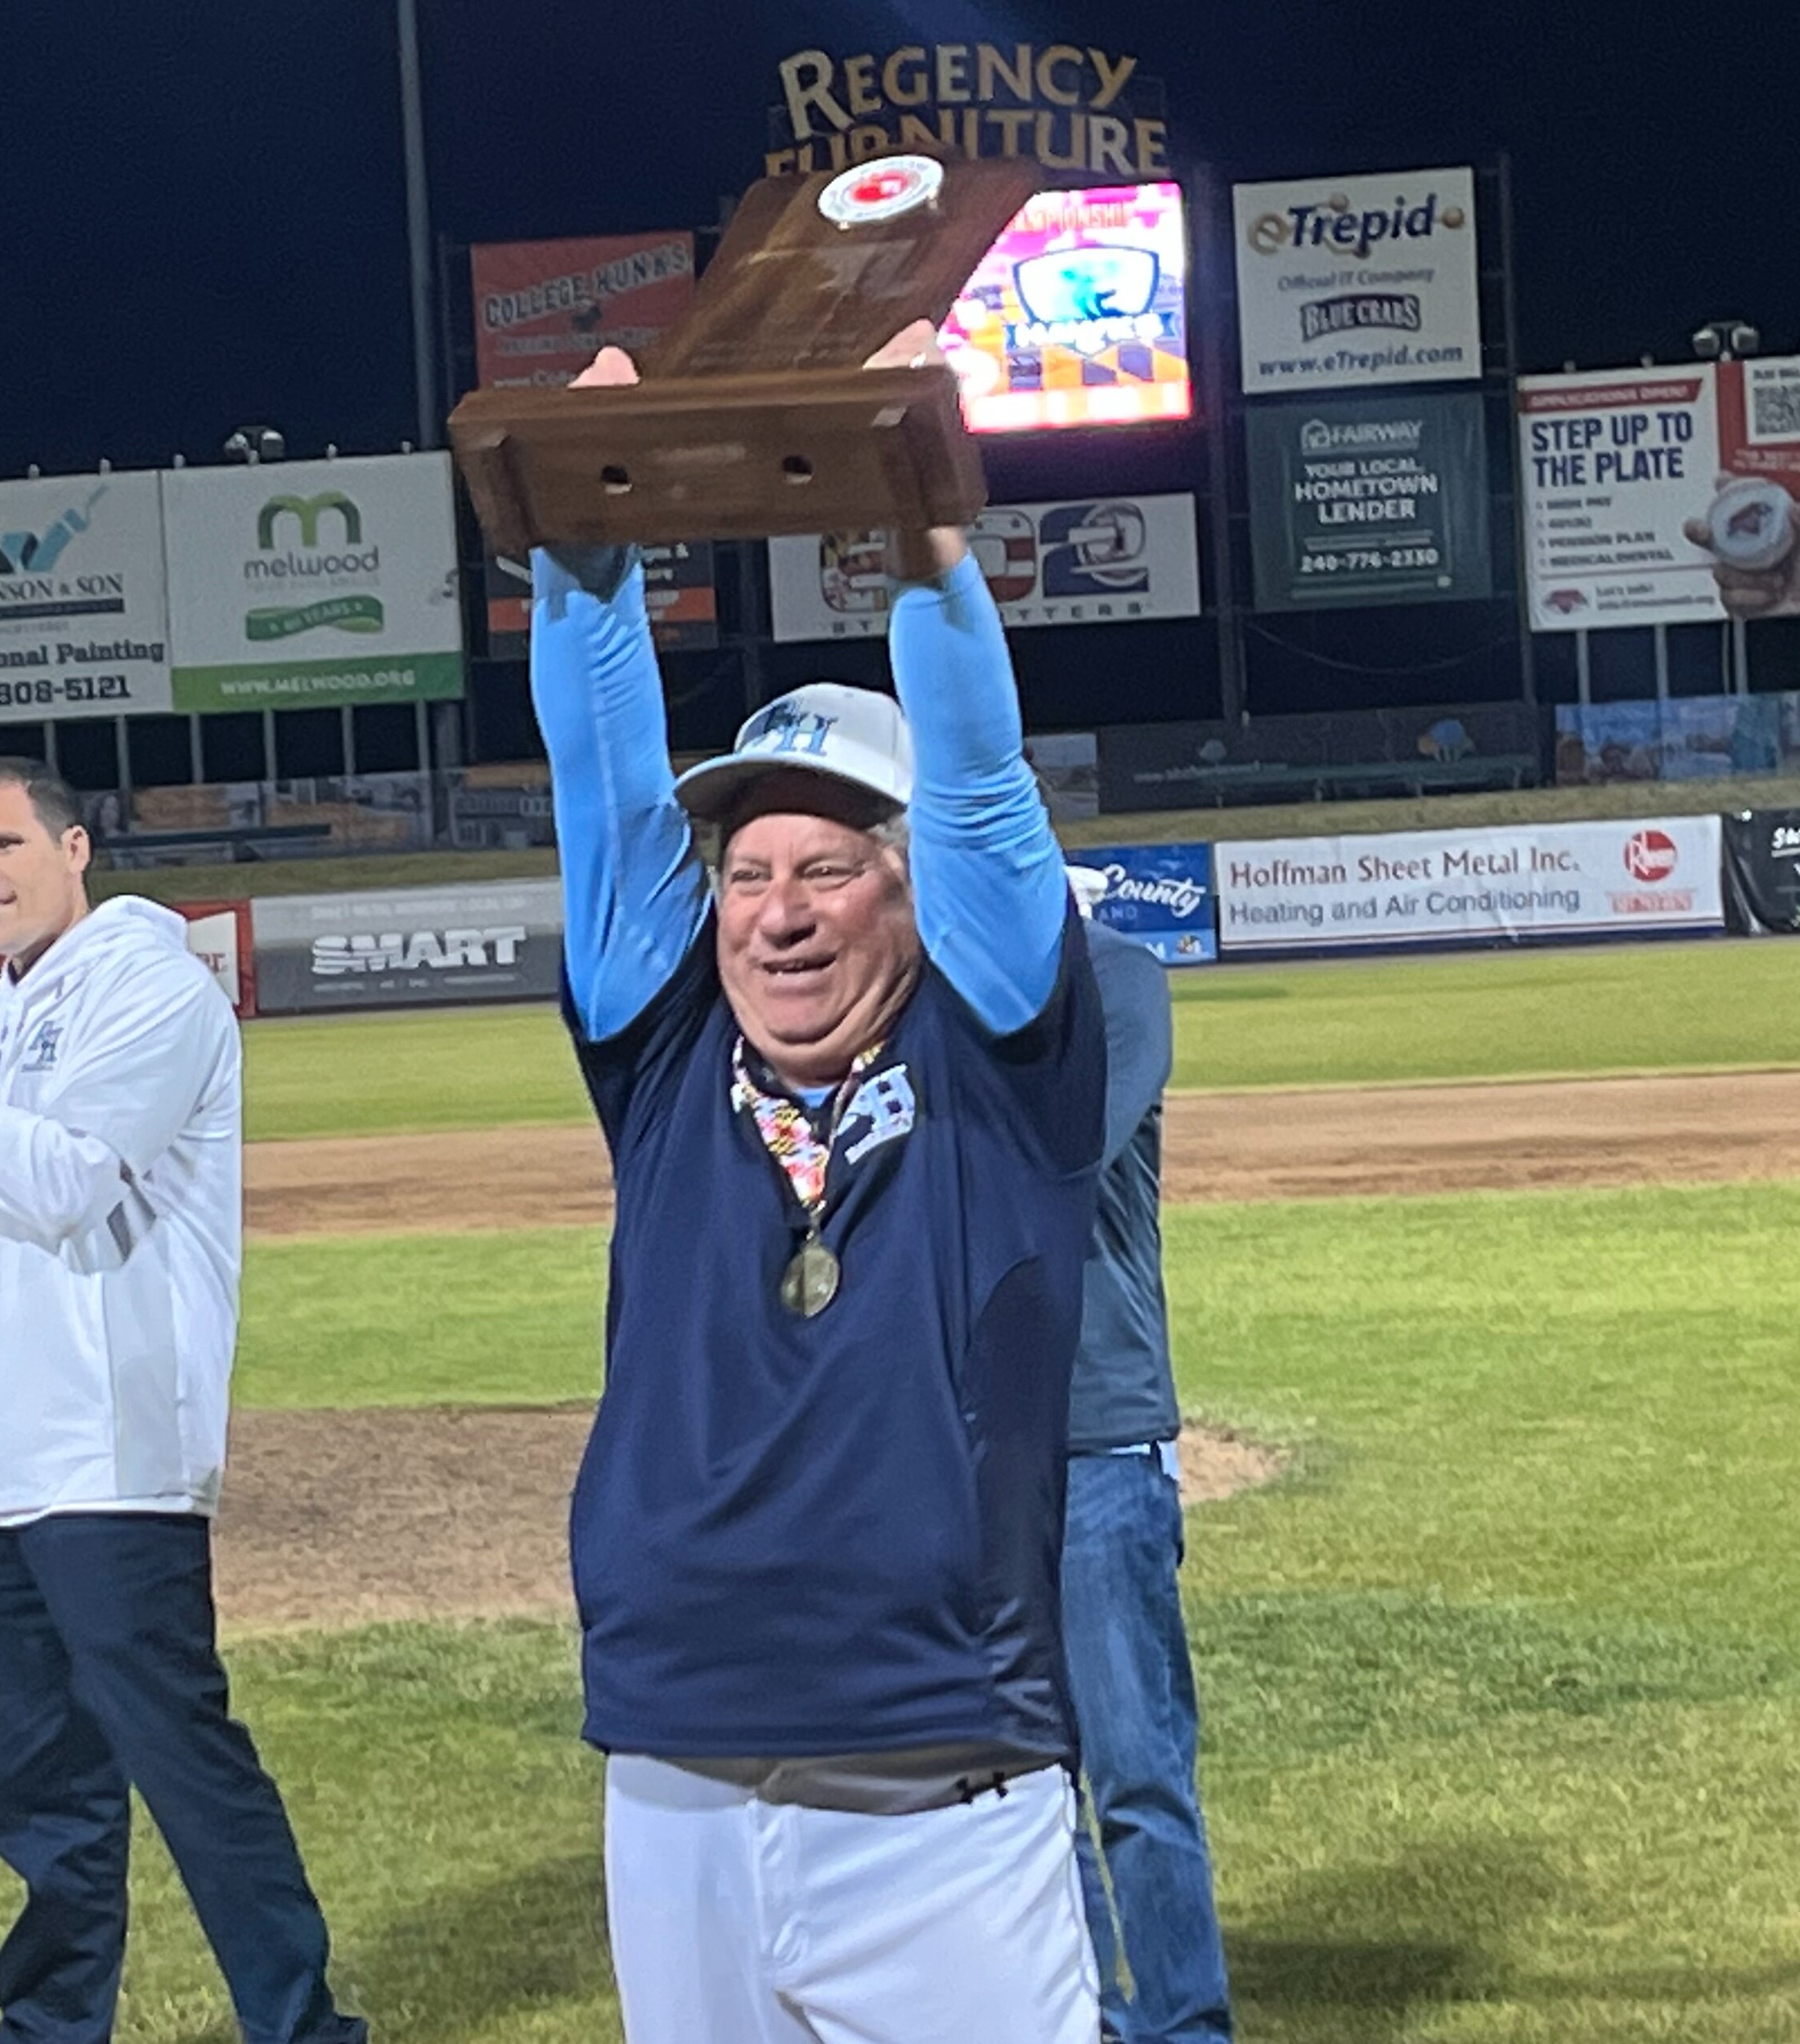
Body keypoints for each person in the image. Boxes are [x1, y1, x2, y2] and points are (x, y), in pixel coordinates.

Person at [532, 331, 1106, 2044]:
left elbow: (986, 791)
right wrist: (583, 550)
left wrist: (925, 537)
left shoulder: (1000, 1062)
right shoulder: (659, 1062)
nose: (775, 909)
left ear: (910, 889)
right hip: (673, 1775)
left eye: (831, 865)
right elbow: (604, 792)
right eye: (749, 868)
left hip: (939, 1784)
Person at [0, 757, 366, 2044]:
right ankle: (51, 2029)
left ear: (76, 849)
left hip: (110, 1465)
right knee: (39, 1795)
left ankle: (303, 2026)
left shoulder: (148, 982)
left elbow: (65, 1182)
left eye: (2, 844)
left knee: (187, 1774)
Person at [1063, 872, 1235, 2044]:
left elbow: (1054, 1147)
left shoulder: (1116, 976)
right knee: (1017, 1793)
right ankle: (1072, 2022)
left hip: (1098, 1440)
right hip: (963, 1454)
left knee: (1136, 1778)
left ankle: (1181, 2027)